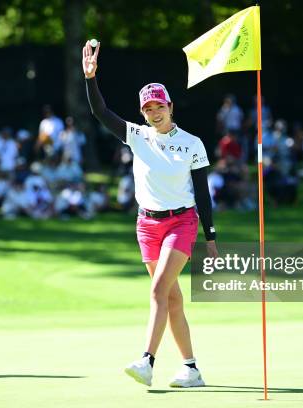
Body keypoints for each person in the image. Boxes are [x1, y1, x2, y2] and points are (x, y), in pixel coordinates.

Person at [83, 40, 218, 388]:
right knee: (171, 297)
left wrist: (211, 237)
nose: (154, 112)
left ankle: (147, 360)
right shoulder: (137, 135)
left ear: (171, 106)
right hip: (148, 225)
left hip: (182, 222)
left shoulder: (192, 143)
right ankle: (191, 368)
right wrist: (90, 79)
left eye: (160, 106)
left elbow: (202, 193)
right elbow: (100, 112)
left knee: (158, 291)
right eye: (148, 108)